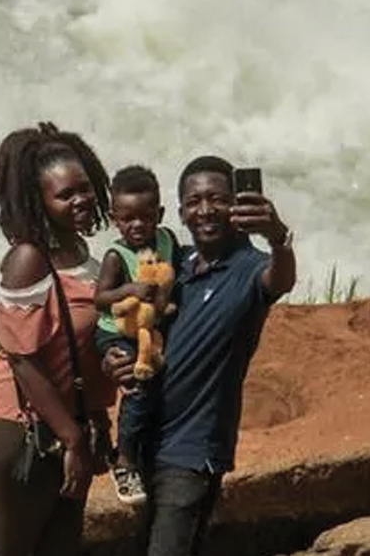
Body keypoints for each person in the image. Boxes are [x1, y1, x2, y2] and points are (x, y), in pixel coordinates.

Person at [102, 155, 297, 556]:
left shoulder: (250, 268)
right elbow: (123, 318)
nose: (205, 210)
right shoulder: (174, 262)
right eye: (194, 202)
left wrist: (278, 237)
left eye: (217, 199)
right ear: (178, 213)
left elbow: (281, 279)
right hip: (145, 441)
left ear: (236, 205)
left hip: (193, 450)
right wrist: (111, 358)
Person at [0, 121, 118, 556]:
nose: (82, 200)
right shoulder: (28, 260)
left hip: (67, 419)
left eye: (85, 188)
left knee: (60, 544)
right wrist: (73, 439)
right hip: (19, 423)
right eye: (65, 195)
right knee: (10, 548)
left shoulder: (82, 255)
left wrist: (95, 421)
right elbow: (22, 361)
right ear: (40, 202)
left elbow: (81, 351)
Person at [91, 164, 183, 505]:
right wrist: (128, 288)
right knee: (138, 386)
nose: (137, 225)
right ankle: (124, 461)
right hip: (115, 332)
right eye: (128, 219)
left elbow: (177, 274)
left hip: (151, 326)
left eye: (145, 217)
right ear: (115, 218)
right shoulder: (116, 256)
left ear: (159, 213)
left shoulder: (167, 239)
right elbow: (99, 299)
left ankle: (155, 448)